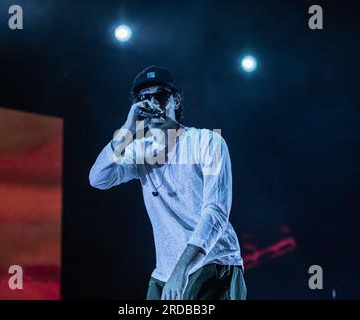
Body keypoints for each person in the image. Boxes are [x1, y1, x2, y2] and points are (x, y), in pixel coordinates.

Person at [89, 66, 247, 300]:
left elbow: (216, 213)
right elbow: (98, 178)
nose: (153, 103)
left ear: (176, 99)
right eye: (144, 98)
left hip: (212, 260)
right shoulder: (140, 151)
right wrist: (128, 128)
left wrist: (181, 271)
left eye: (160, 96)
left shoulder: (207, 141)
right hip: (164, 273)